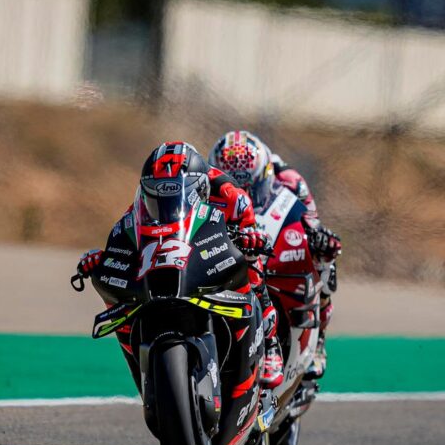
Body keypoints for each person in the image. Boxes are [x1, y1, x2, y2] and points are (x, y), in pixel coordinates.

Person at [75, 141, 285, 393]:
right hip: (174, 253)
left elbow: (251, 232)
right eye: (157, 193)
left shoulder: (232, 196)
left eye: (175, 192)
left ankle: (271, 346)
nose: (166, 201)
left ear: (202, 185)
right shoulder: (141, 201)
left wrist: (251, 240)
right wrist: (105, 258)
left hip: (214, 248)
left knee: (253, 266)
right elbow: (129, 232)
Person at [209, 131, 341, 379]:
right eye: (236, 189)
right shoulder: (207, 180)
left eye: (250, 188)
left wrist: (321, 241)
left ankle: (319, 339)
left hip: (269, 236)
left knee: (325, 258)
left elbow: (313, 226)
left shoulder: (292, 181)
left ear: (265, 175)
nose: (244, 196)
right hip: (228, 239)